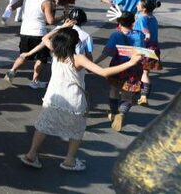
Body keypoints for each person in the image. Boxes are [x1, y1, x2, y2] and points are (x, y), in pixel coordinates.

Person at [19, 24, 142, 172]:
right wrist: (131, 62)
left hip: (53, 97)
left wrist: (62, 27)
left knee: (44, 125)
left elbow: (45, 37)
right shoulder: (78, 58)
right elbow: (103, 72)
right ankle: (69, 161)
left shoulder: (56, 52)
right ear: (76, 43)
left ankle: (31, 154)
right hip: (73, 99)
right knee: (77, 130)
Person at [93, 12, 147, 132]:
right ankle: (121, 114)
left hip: (118, 67)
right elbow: (142, 51)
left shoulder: (115, 35)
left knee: (114, 90)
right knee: (127, 96)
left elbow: (107, 52)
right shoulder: (139, 35)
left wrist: (95, 63)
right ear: (133, 22)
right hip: (134, 68)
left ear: (119, 22)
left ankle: (113, 113)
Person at [5, 0, 61, 89]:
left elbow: (13, 6)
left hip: (25, 31)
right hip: (39, 33)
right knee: (41, 58)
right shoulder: (46, 2)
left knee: (24, 54)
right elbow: (50, 21)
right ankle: (34, 81)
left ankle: (11, 71)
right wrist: (63, 17)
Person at [135, 0, 161, 106]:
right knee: (145, 72)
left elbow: (145, 29)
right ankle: (143, 95)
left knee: (135, 70)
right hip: (154, 48)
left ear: (144, 8)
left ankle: (141, 94)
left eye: (138, 4)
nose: (137, 5)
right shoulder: (153, 18)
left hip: (143, 48)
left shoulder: (142, 18)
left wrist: (147, 35)